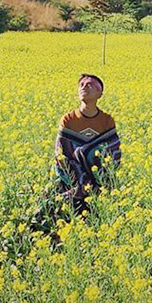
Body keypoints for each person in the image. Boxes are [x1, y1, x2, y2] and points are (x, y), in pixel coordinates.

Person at [28, 73, 121, 240]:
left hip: (97, 178)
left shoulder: (106, 121)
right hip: (69, 176)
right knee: (49, 203)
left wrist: (97, 177)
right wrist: (80, 180)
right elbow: (62, 154)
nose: (85, 87)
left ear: (100, 94)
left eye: (90, 85)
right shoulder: (69, 119)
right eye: (82, 85)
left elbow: (111, 152)